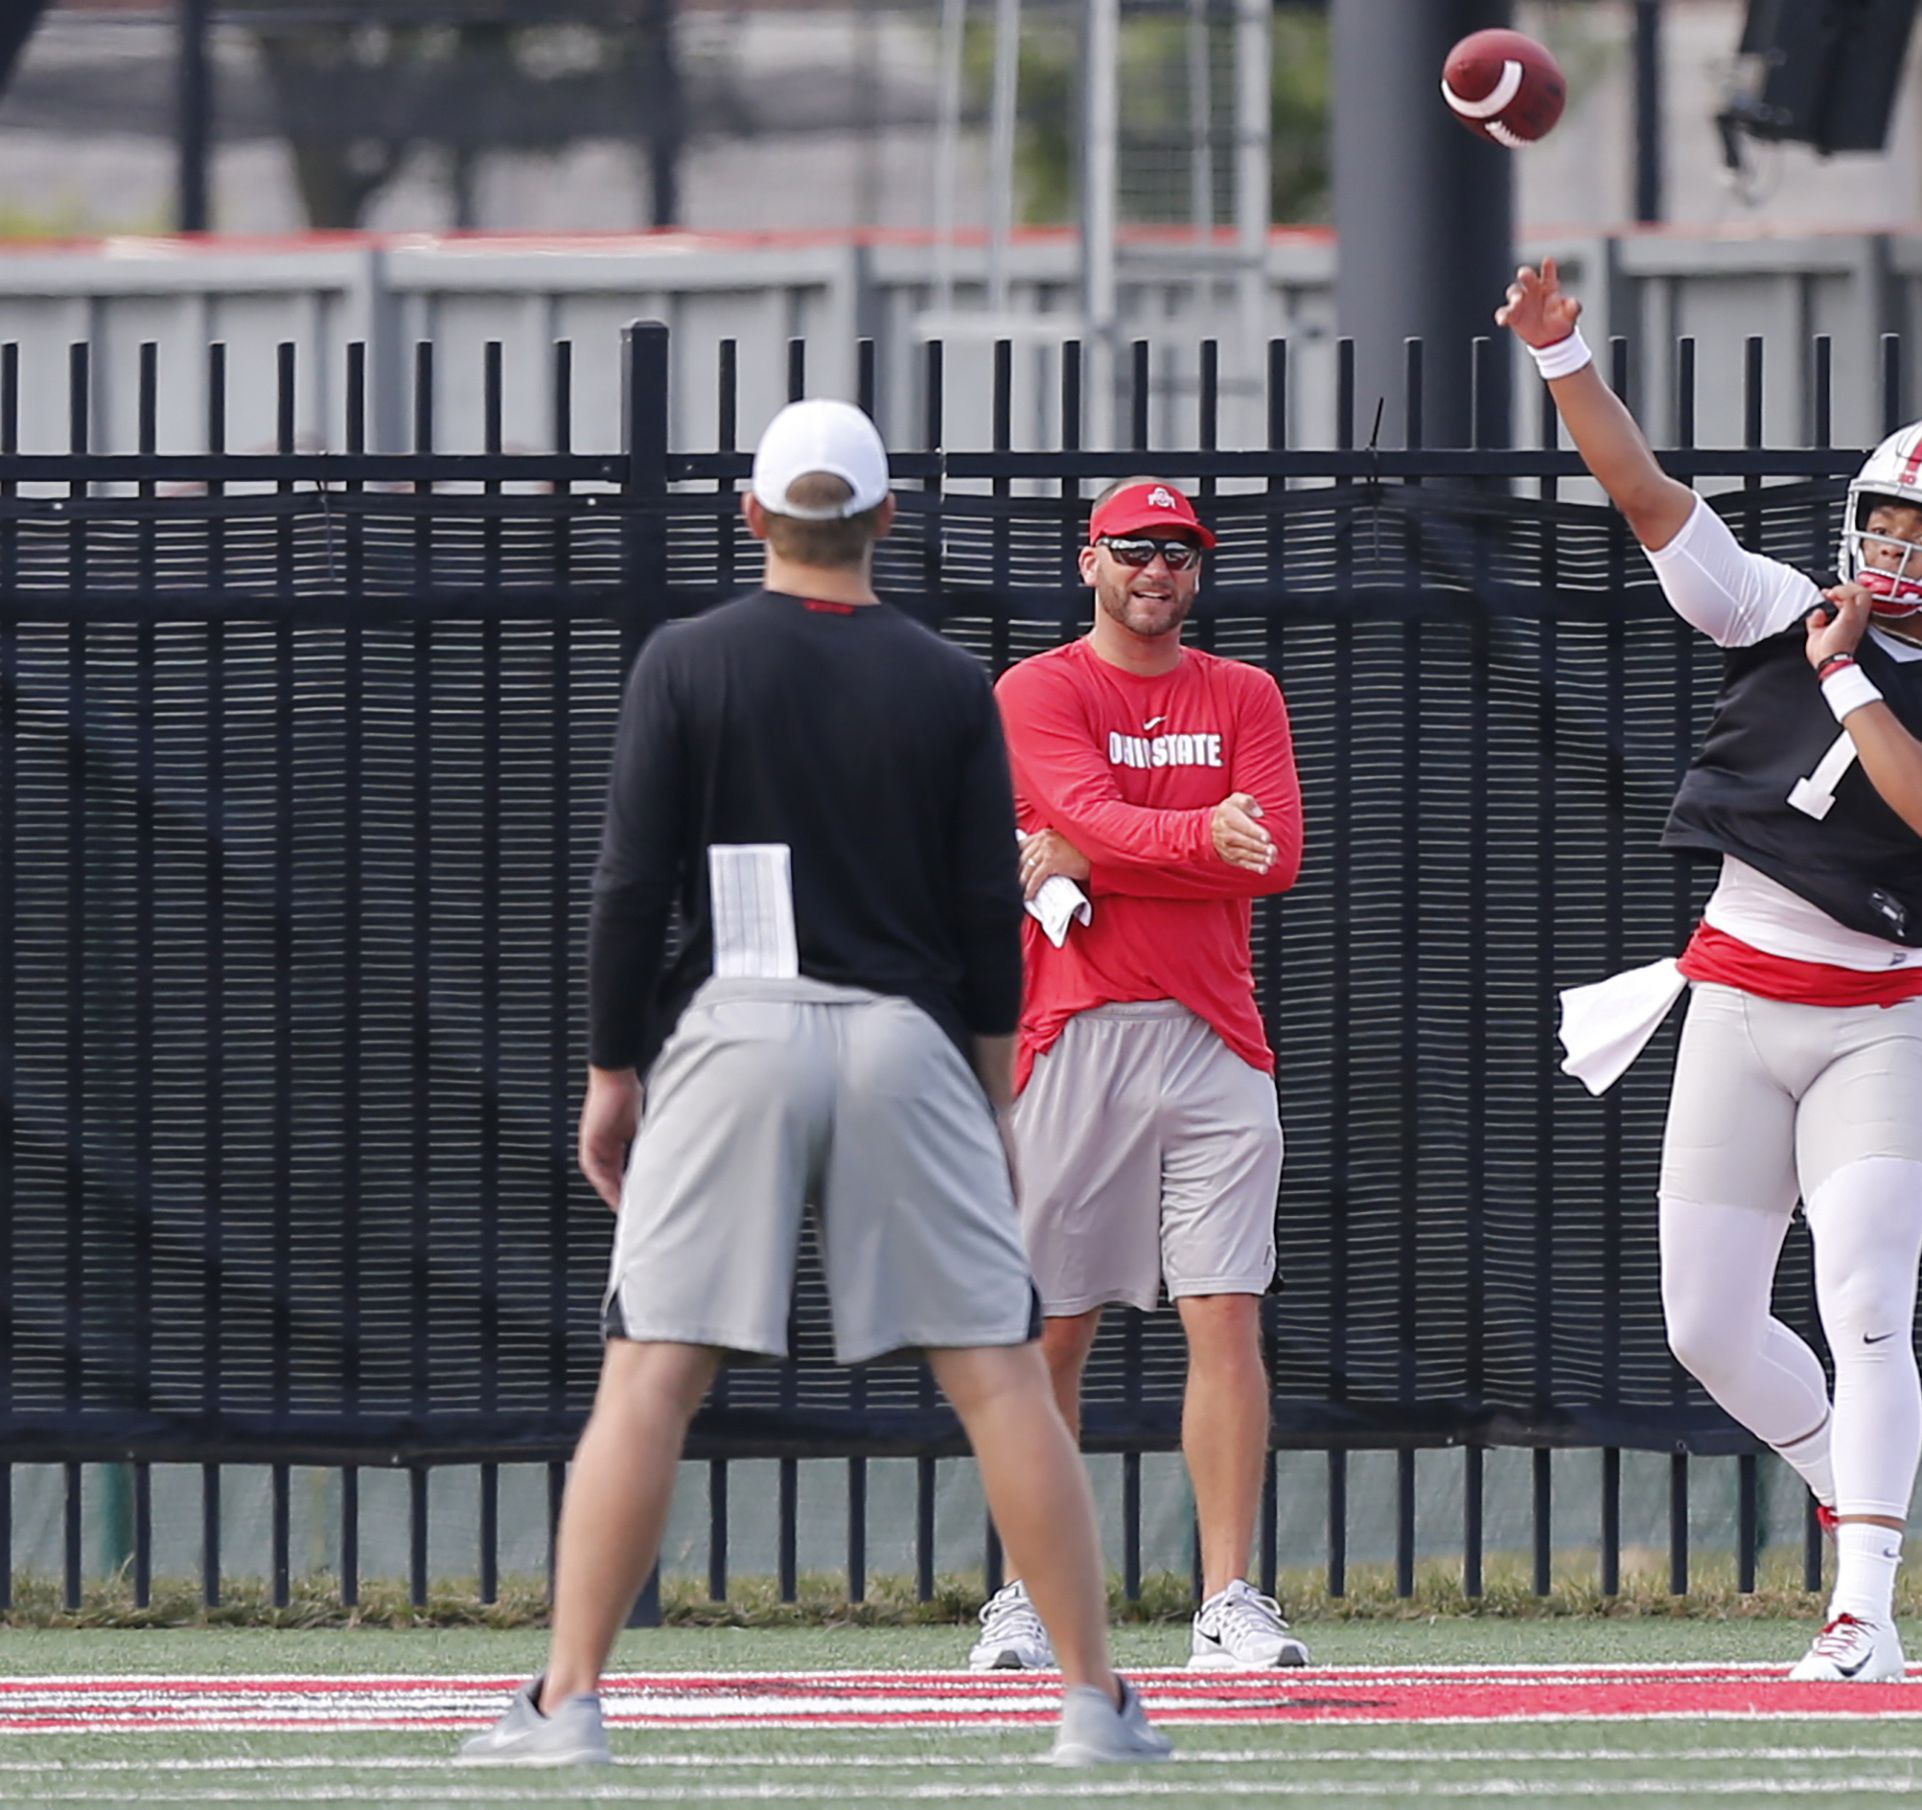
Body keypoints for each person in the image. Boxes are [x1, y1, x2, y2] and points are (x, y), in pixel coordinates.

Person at [458, 399, 1168, 1768]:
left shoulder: (690, 659)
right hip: (906, 1037)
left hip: (730, 1028)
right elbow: (981, 908)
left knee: (651, 1372)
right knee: (1002, 1375)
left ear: (752, 519)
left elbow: (627, 889)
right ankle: (1092, 1702)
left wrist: (614, 1072)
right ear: (885, 522)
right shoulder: (948, 680)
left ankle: (566, 1702)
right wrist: (992, 1096)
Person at [1502, 260, 1922, 1684]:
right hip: (1736, 999)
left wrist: (1852, 676)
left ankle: (1862, 1602)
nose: (1895, 545)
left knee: (1863, 1300)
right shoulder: (1770, 607)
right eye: (1883, 517)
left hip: (1870, 1020)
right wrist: (1564, 358)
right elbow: (1644, 496)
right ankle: (1843, 1481)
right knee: (1703, 1325)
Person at [964, 476, 1310, 1673]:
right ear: (1091, 561)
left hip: (1218, 1035)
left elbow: (1276, 858)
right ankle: (1023, 1594)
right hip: (1074, 1029)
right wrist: (1191, 838)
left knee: (1225, 1313)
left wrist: (1114, 856)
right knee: (1054, 1330)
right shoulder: (1039, 687)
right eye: (1134, 551)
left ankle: (1228, 1599)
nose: (1157, 571)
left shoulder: (1244, 691)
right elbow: (1080, 809)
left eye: (1178, 554)